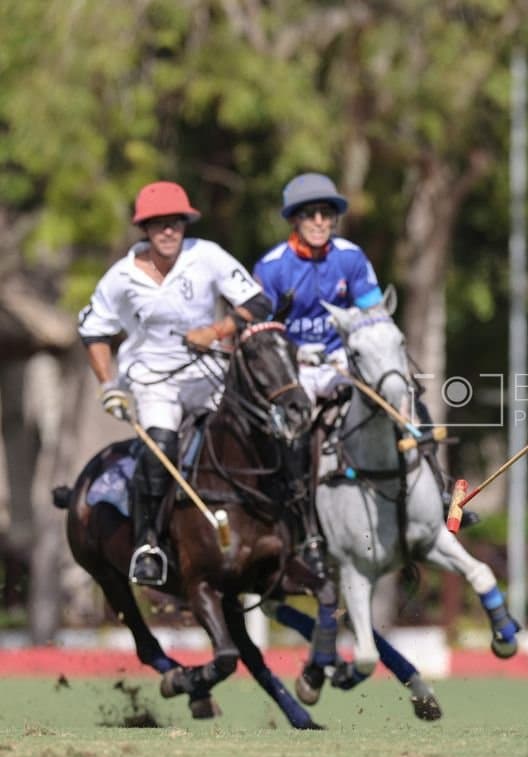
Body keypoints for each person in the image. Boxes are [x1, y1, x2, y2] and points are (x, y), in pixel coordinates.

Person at [252, 173, 476, 527]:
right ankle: (298, 516)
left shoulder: (350, 258)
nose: (320, 222)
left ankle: (442, 492)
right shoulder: (273, 267)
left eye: (327, 214)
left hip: (343, 359)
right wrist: (295, 356)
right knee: (291, 430)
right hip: (298, 368)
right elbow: (261, 332)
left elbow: (374, 313)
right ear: (295, 219)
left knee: (405, 396)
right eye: (310, 214)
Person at [78, 181, 274, 585]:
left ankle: (287, 527)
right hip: (154, 378)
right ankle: (148, 545)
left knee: (263, 426)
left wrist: (218, 329)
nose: (168, 231)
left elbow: (258, 302)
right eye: (158, 224)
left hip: (210, 370)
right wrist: (108, 384)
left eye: (176, 223)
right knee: (160, 445)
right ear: (145, 230)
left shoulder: (207, 256)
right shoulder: (121, 277)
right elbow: (93, 331)